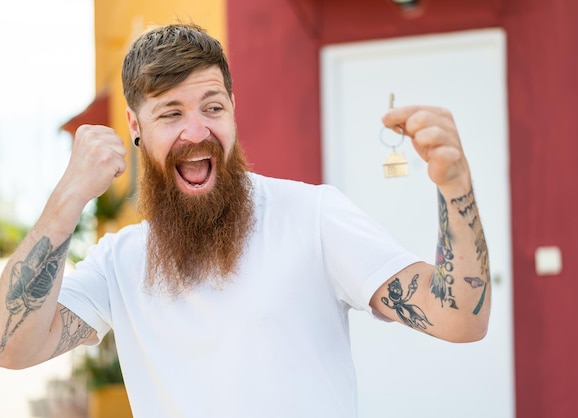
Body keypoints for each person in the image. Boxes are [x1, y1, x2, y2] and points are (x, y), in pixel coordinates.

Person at [0, 23, 491, 417]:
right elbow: (13, 348)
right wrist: (68, 197)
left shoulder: (314, 216)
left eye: (212, 107)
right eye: (170, 114)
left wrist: (456, 187)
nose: (197, 132)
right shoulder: (118, 261)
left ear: (233, 109)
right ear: (135, 126)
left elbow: (458, 317)